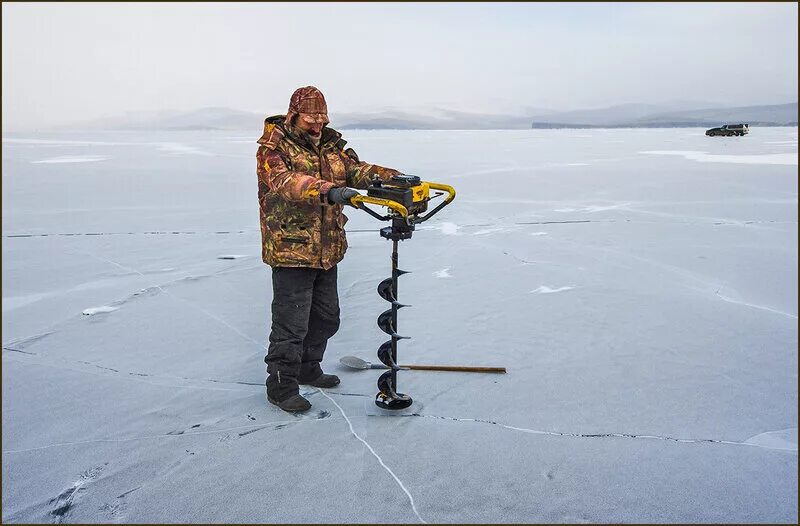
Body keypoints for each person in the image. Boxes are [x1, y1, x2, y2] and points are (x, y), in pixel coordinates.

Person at [256, 86, 403, 412]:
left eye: (322, 119)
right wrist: (332, 191)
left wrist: (394, 179)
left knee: (326, 318)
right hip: (291, 249)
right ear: (294, 115)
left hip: (327, 247)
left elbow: (357, 170)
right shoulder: (274, 149)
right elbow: (285, 182)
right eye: (311, 120)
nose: (317, 126)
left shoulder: (332, 147)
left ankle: (309, 368)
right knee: (290, 325)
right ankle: (281, 386)